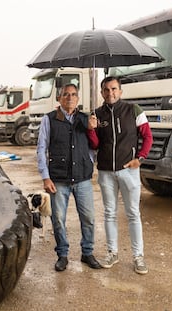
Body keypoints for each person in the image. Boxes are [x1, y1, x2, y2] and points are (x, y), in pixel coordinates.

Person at [87, 76, 153, 275]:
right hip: (106, 171)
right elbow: (96, 145)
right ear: (101, 93)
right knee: (109, 213)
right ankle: (112, 252)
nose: (110, 93)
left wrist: (139, 159)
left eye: (114, 89)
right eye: (106, 90)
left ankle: (138, 257)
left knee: (133, 213)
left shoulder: (133, 110)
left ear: (120, 91)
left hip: (129, 171)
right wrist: (91, 129)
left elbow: (147, 136)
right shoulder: (97, 114)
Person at [37, 83, 101, 272]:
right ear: (59, 98)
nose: (70, 98)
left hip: (82, 179)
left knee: (88, 218)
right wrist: (45, 177)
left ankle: (87, 252)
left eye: (73, 95)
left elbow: (95, 146)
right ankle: (62, 255)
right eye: (66, 95)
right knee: (58, 219)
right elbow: (41, 148)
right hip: (58, 179)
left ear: (78, 99)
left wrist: (91, 129)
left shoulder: (86, 119)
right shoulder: (49, 119)